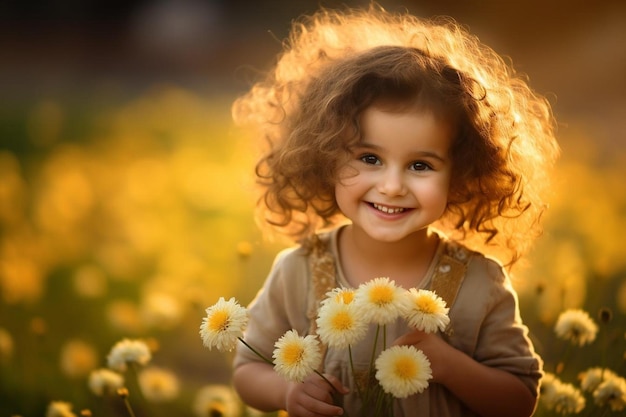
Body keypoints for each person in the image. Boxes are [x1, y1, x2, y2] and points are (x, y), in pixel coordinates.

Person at [231, 4, 559, 417]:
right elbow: (248, 370)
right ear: (326, 157)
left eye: (420, 165)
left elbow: (520, 399)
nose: (391, 186)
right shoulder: (297, 271)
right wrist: (286, 393)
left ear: (460, 176)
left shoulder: (481, 283)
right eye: (369, 158)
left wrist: (452, 366)